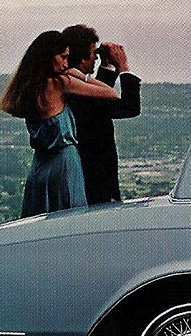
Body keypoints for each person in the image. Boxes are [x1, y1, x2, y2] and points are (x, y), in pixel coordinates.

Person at [0, 30, 119, 217]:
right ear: (48, 57)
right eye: (63, 57)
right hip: (64, 164)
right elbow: (111, 94)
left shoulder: (28, 89)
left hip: (39, 167)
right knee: (71, 220)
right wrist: (80, 75)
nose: (65, 63)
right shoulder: (61, 83)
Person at [61, 24, 142, 205]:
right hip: (95, 171)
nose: (95, 58)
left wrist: (106, 66)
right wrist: (123, 67)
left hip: (86, 168)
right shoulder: (77, 92)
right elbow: (129, 107)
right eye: (93, 54)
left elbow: (96, 93)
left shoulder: (69, 84)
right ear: (83, 58)